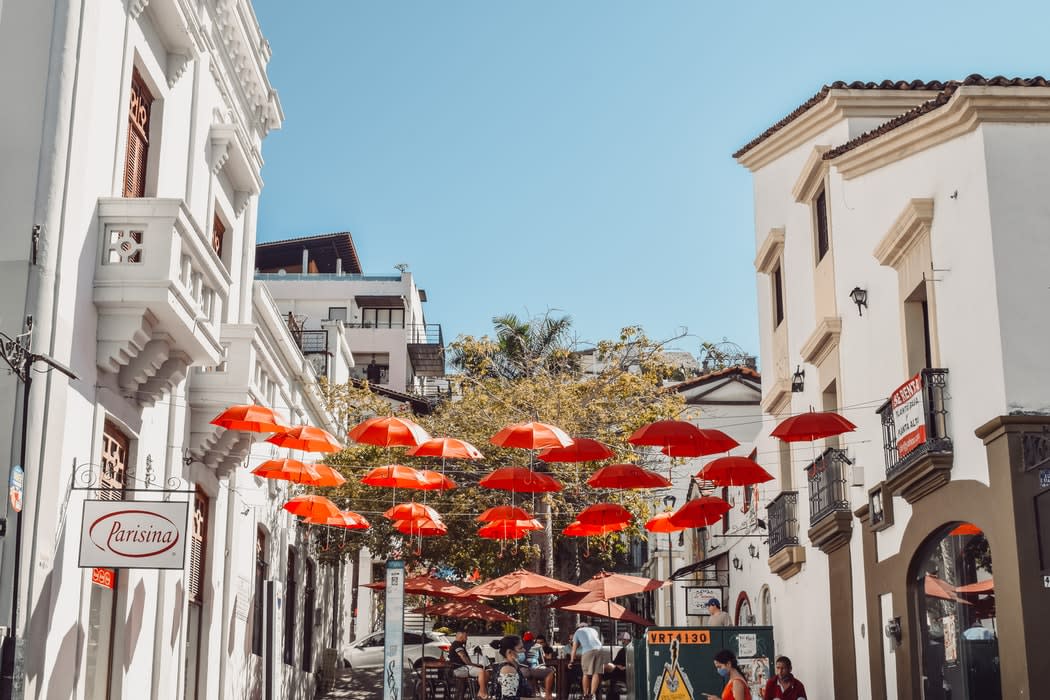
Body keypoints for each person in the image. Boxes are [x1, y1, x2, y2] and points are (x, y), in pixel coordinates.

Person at [569, 620, 603, 700]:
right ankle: (592, 695)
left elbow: (574, 649)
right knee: (596, 673)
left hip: (587, 651)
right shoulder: (594, 630)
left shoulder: (578, 631)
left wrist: (571, 661)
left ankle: (585, 695)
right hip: (600, 650)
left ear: (579, 627)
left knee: (586, 673)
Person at [492, 635, 531, 700]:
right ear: (509, 652)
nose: (524, 650)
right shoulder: (508, 670)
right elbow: (509, 698)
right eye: (520, 648)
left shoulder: (513, 667)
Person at [449, 630, 486, 696]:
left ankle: (480, 691)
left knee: (485, 672)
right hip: (459, 669)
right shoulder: (456, 644)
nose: (467, 638)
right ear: (461, 635)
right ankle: (482, 693)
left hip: (462, 668)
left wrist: (474, 665)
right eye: (466, 636)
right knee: (481, 672)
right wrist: (473, 665)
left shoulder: (459, 644)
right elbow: (463, 656)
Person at [603, 632, 632, 700]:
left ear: (627, 640)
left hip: (625, 671)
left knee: (606, 668)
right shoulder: (622, 650)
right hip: (618, 669)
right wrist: (617, 665)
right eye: (621, 640)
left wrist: (624, 667)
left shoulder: (630, 650)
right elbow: (615, 662)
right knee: (606, 667)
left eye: (623, 640)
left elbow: (631, 664)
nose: (622, 641)